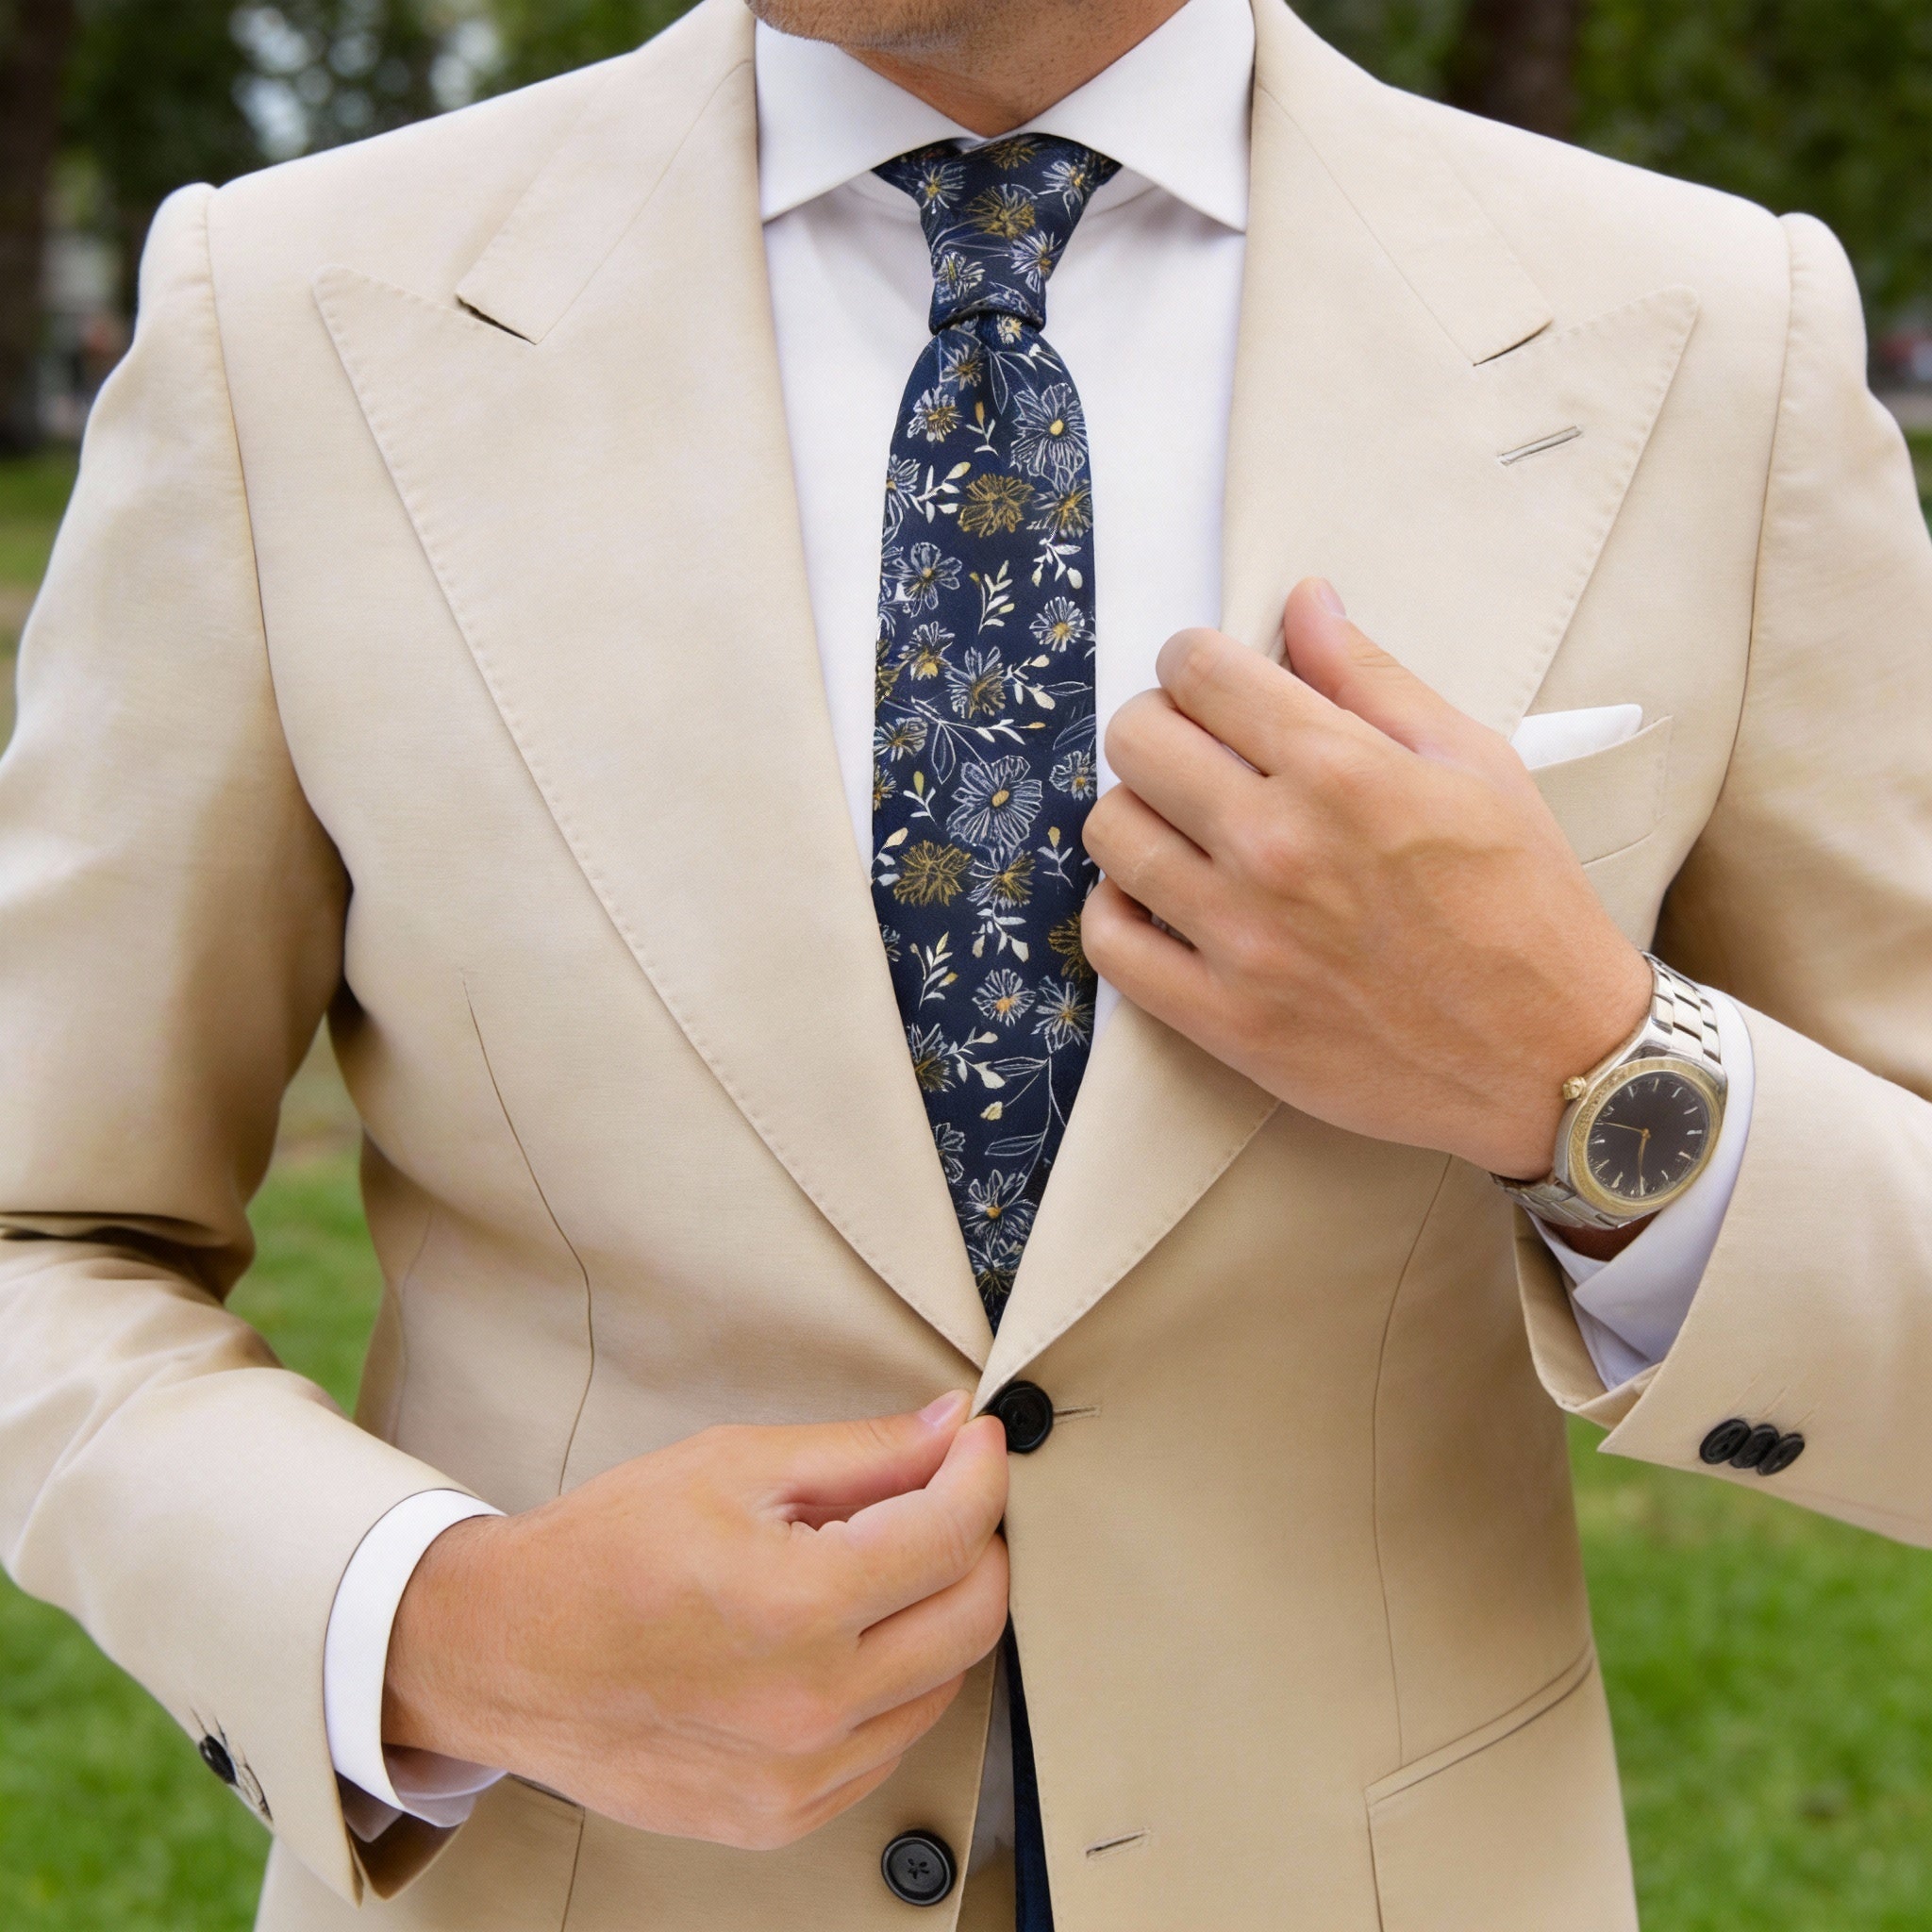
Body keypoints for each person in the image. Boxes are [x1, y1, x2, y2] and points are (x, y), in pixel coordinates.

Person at [2, 0, 1929, 1924]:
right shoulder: (286, 318)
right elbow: (41, 1233)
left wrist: (1591, 1075)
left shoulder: (1710, 334)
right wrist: (448, 1629)